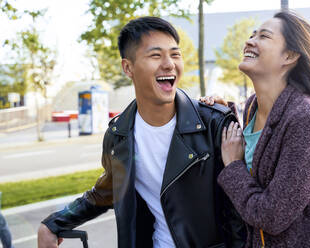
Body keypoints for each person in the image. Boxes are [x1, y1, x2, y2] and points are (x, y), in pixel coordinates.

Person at [38, 17, 245, 248]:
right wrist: (53, 223)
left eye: (175, 54)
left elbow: (237, 215)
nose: (169, 64)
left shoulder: (214, 123)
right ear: (128, 67)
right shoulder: (118, 135)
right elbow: (105, 191)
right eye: (156, 55)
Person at [201, 11, 310, 247]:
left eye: (264, 36)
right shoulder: (251, 108)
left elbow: (271, 216)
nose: (249, 40)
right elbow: (259, 155)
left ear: (289, 55)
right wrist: (224, 115)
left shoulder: (305, 119)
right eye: (251, 34)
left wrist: (234, 168)